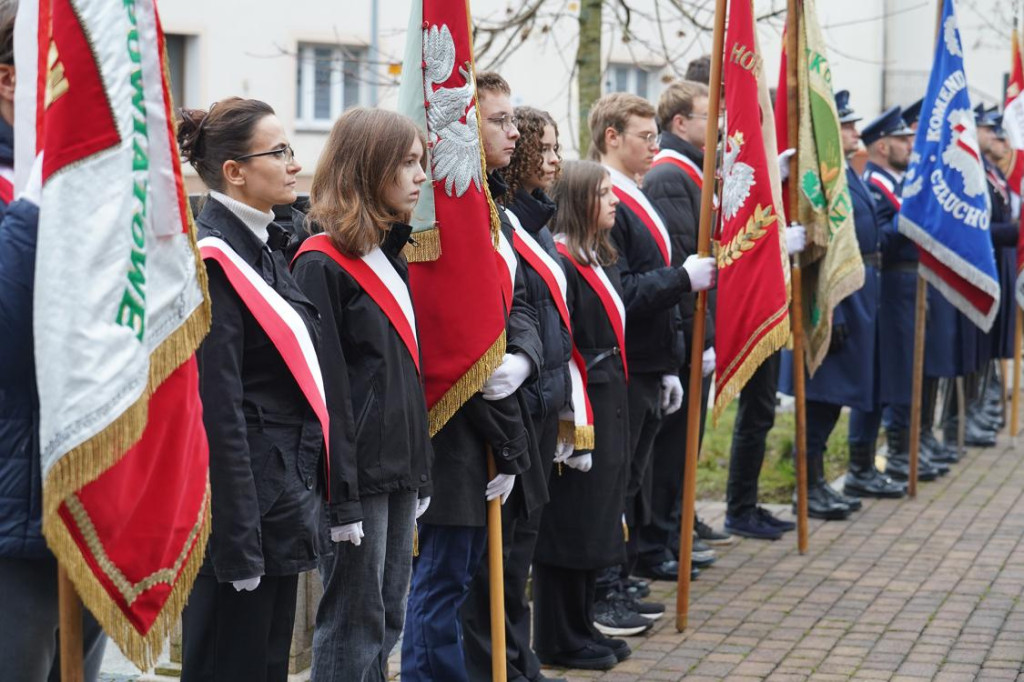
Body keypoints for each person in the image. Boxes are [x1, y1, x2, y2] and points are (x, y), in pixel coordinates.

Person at [179, 98, 329, 682]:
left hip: (280, 501)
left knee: (266, 665)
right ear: (235, 171)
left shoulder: (263, 245)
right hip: (245, 516)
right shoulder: (214, 260)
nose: (294, 164)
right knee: (229, 665)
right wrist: (236, 543)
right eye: (280, 152)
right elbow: (220, 413)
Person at [402, 71, 543, 682]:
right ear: (461, 126)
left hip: (495, 424)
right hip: (454, 433)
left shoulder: (495, 212)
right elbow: (458, 337)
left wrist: (522, 359)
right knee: (440, 591)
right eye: (498, 120)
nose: (515, 132)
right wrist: (510, 441)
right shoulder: (446, 220)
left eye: (514, 119)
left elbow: (524, 306)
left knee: (462, 581)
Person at [291, 108, 433, 682]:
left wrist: (421, 472)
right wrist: (340, 497)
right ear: (369, 168)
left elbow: (402, 377)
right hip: (355, 476)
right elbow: (327, 395)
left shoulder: (389, 255)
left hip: (397, 465)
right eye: (407, 163)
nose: (421, 176)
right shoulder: (321, 264)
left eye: (420, 161)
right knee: (353, 621)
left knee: (389, 614)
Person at [0, 1, 109, 675]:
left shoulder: (94, 185)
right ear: (10, 81)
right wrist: (39, 202)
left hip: (97, 496)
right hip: (17, 506)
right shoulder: (28, 189)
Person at [587, 92, 716, 621]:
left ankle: (617, 575)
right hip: (628, 358)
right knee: (615, 485)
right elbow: (623, 290)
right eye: (645, 136)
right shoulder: (605, 198)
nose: (655, 145)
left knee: (631, 480)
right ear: (612, 137)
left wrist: (673, 359)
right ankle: (605, 586)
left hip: (650, 360)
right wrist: (682, 278)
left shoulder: (634, 192)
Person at [461, 104, 571, 682]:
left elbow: (535, 309)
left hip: (535, 397)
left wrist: (531, 363)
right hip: (509, 411)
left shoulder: (530, 220)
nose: (552, 159)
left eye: (556, 149)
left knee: (517, 557)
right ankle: (501, 665)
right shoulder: (495, 216)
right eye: (543, 147)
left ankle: (517, 660)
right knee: (491, 568)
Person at [780, 90, 906, 508]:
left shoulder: (846, 174)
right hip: (834, 297)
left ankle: (818, 483)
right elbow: (819, 247)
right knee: (823, 397)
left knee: (836, 398)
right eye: (848, 125)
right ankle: (808, 486)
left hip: (857, 289)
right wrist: (828, 310)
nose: (856, 131)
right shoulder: (822, 177)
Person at [533, 159, 634, 669]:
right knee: (571, 522)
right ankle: (558, 636)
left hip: (608, 395)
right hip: (582, 401)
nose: (614, 200)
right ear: (578, 201)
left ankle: (582, 624)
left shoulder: (597, 257)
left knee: (596, 519)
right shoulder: (565, 261)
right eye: (603, 193)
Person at [638, 79, 728, 579]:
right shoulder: (672, 177)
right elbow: (683, 265)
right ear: (680, 123)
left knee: (680, 451)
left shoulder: (690, 172)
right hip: (683, 339)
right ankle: (658, 542)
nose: (714, 125)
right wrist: (702, 339)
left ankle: (671, 534)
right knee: (669, 454)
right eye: (705, 116)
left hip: (692, 337)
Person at [857, 106, 944, 483]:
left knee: (910, 369)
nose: (910, 145)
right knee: (892, 372)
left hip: (911, 286)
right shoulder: (874, 185)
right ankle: (893, 452)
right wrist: (910, 211)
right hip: (892, 288)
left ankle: (907, 445)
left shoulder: (896, 183)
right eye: (902, 139)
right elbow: (882, 241)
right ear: (881, 146)